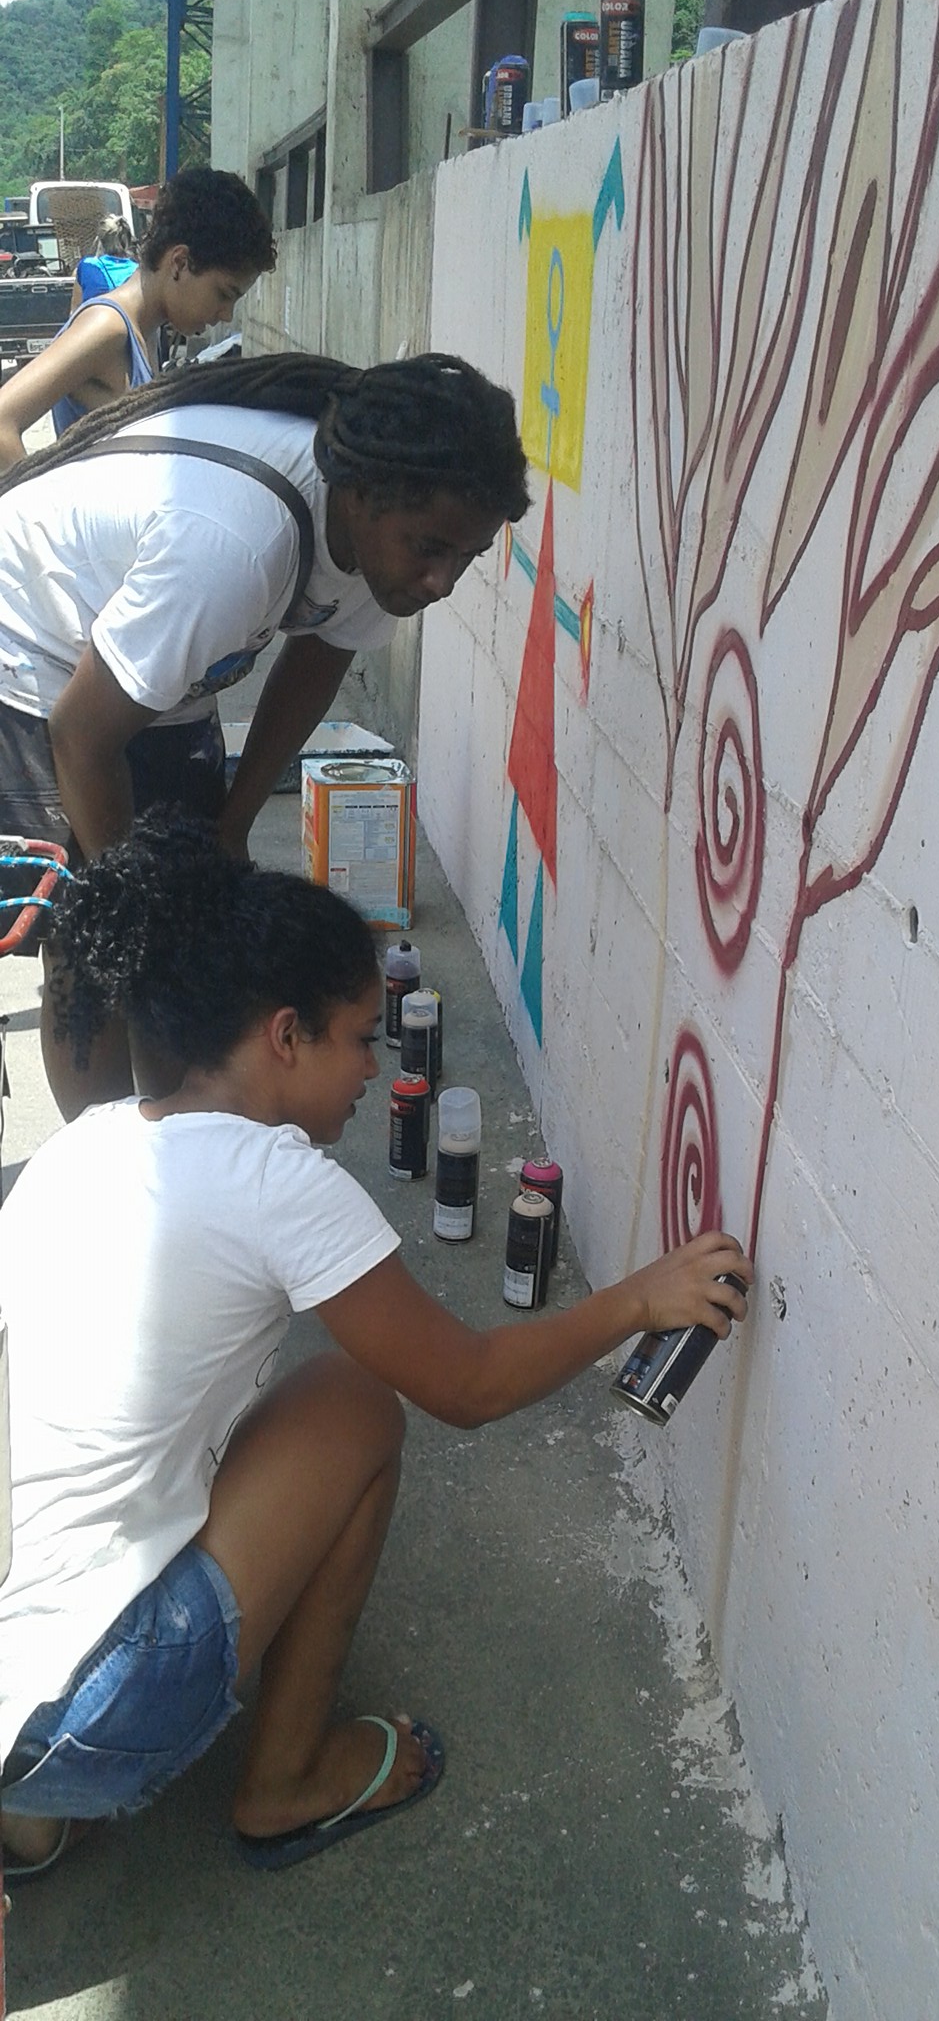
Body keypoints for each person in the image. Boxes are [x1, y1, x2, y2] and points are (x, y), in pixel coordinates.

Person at [0, 813, 754, 1882]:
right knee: (357, 1404)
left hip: (17, 1689)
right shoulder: (279, 1183)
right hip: (99, 1703)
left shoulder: (81, 1145)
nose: (372, 1066)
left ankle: (34, 1806)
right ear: (285, 1035)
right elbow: (469, 1386)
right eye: (359, 1037)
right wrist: (638, 1298)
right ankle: (282, 1784)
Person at [0, 347, 530, 1116]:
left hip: (143, 670)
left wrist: (234, 823)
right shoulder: (236, 545)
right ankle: (109, 1162)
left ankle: (181, 1141)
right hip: (30, 656)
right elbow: (82, 734)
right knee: (101, 940)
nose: (442, 582)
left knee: (189, 931)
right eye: (431, 550)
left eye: (468, 556)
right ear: (362, 496)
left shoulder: (379, 537)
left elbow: (320, 657)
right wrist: (134, 901)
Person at [0, 167, 276, 473]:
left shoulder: (147, 332)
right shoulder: (108, 327)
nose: (226, 314)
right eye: (224, 294)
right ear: (180, 263)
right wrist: (44, 502)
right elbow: (2, 422)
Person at [70, 214, 139, 310]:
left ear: (100, 242)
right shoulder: (139, 271)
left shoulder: (87, 266)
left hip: (94, 319)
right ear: (127, 242)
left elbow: (75, 309)